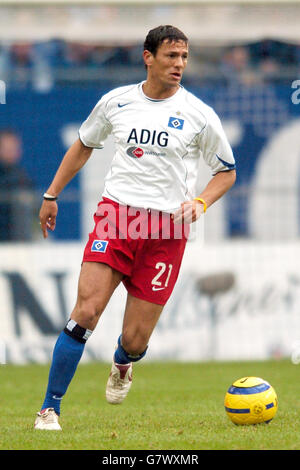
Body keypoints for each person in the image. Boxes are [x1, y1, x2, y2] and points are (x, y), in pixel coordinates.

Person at [34, 25, 236, 431]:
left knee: (136, 339)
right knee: (86, 312)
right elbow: (84, 144)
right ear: (148, 57)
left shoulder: (200, 115)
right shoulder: (116, 102)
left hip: (166, 233)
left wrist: (200, 202)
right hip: (118, 217)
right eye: (170, 56)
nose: (179, 64)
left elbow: (226, 172)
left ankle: (123, 362)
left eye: (184, 57)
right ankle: (49, 408)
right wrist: (52, 194)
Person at [0, 129, 34, 241]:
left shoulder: (23, 180)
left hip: (18, 244)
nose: (11, 152)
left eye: (13, 148)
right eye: (7, 149)